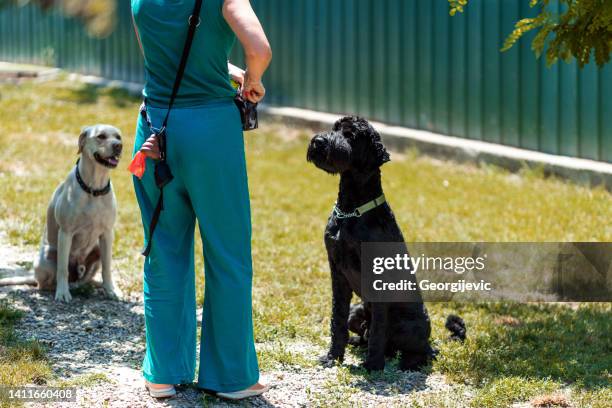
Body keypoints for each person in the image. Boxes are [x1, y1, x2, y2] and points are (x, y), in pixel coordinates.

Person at [130, 0, 271, 400]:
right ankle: (231, 379)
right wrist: (253, 78)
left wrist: (227, 71)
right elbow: (259, 49)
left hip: (157, 129)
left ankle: (162, 374)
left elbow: (167, 58)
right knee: (227, 254)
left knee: (164, 249)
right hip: (211, 134)